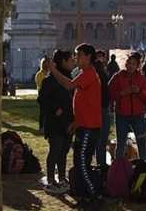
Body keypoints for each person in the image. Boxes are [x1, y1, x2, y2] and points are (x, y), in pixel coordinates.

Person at [49, 43, 103, 210]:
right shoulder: (84, 74)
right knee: (80, 161)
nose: (77, 58)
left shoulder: (89, 73)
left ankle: (95, 194)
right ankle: (87, 195)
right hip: (83, 125)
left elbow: (69, 85)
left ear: (88, 57)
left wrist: (54, 70)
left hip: (89, 127)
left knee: (82, 162)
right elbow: (85, 103)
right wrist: (76, 122)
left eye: (79, 55)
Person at [38, 50, 74, 195]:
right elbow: (41, 100)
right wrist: (55, 108)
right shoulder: (49, 80)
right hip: (55, 123)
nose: (73, 63)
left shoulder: (69, 79)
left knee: (64, 150)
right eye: (71, 60)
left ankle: (62, 178)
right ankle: (51, 180)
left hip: (68, 121)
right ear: (63, 62)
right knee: (55, 149)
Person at [108, 52, 146, 160]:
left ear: (137, 66)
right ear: (125, 64)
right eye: (129, 63)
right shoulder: (118, 77)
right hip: (122, 114)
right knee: (121, 142)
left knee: (141, 141)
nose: (130, 66)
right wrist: (122, 93)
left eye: (133, 64)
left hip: (138, 115)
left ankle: (143, 164)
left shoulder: (141, 79)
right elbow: (110, 93)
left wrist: (139, 91)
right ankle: (118, 165)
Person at [94, 49, 112, 167]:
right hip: (101, 106)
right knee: (101, 138)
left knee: (100, 138)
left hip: (101, 106)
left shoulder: (98, 70)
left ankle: (101, 161)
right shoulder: (97, 70)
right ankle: (101, 163)